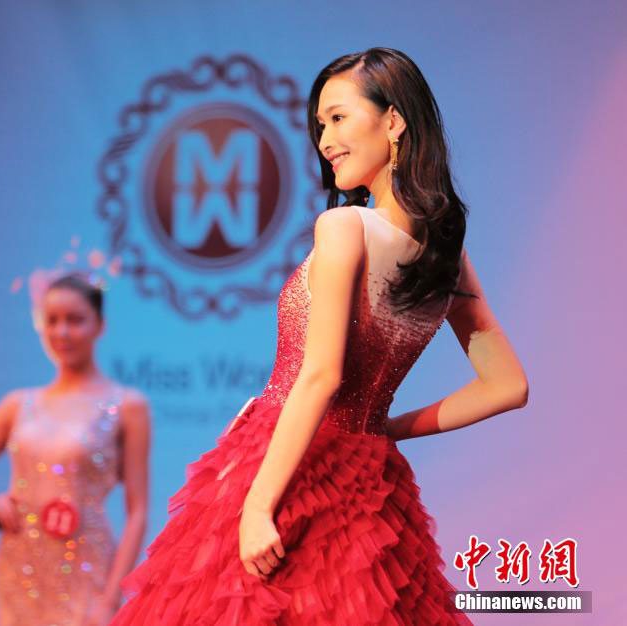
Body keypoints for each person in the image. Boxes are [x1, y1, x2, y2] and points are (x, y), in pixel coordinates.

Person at [110, 47, 528, 624]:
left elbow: (322, 374)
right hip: (369, 484)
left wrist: (257, 505)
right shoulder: (447, 256)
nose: (324, 138)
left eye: (337, 117)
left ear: (394, 120)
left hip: (288, 468)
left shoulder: (343, 225)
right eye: (319, 125)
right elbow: (506, 385)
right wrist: (385, 429)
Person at [0, 271, 151, 626]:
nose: (62, 332)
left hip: (88, 570)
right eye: (52, 321)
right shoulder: (19, 404)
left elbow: (138, 511)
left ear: (100, 325)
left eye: (75, 320)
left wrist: (112, 597)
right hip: (20, 565)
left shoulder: (127, 405)